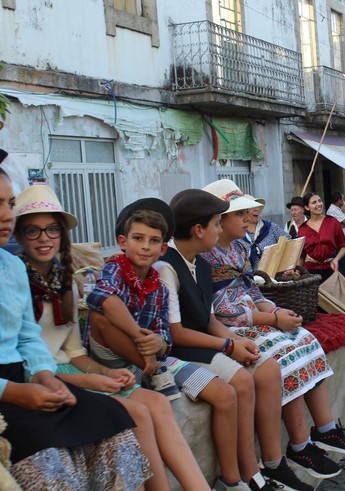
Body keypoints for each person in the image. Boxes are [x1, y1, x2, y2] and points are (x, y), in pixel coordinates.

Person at [12, 184, 211, 491]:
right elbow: (23, 364)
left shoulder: (65, 279)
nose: (44, 239)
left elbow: (74, 352)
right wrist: (94, 379)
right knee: (137, 412)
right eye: (33, 231)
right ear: (19, 236)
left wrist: (106, 373)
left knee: (156, 404)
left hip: (76, 368)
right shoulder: (13, 283)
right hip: (40, 378)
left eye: (52, 230)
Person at [0, 160, 150, 490]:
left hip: (27, 379)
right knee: (46, 455)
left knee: (114, 420)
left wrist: (43, 375)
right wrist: (18, 393)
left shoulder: (10, 266)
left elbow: (27, 335)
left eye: (9, 204)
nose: (7, 216)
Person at [200, 179, 345, 482]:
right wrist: (273, 321)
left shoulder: (238, 247)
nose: (248, 217)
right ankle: (299, 445)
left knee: (306, 339)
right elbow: (224, 311)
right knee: (283, 353)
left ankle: (326, 429)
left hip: (256, 316)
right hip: (233, 327)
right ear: (219, 220)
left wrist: (276, 311)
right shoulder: (207, 256)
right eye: (240, 214)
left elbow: (253, 289)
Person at [85, 201, 257, 490]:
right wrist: (142, 338)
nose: (145, 247)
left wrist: (156, 342)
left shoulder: (158, 280)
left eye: (154, 241)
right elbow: (101, 299)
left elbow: (166, 338)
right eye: (138, 239)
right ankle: (147, 369)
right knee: (102, 314)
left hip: (155, 359)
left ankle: (231, 479)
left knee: (225, 393)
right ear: (123, 242)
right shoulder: (115, 267)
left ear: (162, 249)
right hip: (116, 357)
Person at [155, 189, 306, 491]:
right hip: (178, 350)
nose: (220, 229)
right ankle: (235, 478)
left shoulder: (201, 264)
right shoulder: (166, 268)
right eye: (216, 224)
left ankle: (255, 470)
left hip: (201, 343)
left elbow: (210, 320)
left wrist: (236, 344)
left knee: (249, 374)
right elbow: (176, 333)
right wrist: (227, 345)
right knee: (235, 384)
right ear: (198, 230)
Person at [298, 192, 345, 283]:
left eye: (319, 201)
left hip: (331, 268)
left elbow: (344, 245)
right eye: (314, 202)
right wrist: (298, 273)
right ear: (306, 207)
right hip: (310, 272)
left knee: (331, 296)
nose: (318, 204)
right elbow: (301, 255)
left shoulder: (332, 222)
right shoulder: (302, 229)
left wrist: (336, 259)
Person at [241, 195, 290, 270]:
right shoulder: (238, 233)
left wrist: (284, 264)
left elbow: (289, 243)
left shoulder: (270, 227)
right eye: (253, 207)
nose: (257, 209)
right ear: (244, 211)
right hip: (250, 278)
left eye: (257, 206)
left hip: (274, 275)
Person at [326, 191, 345, 282]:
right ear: (339, 200)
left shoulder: (337, 210)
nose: (343, 200)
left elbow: (344, 223)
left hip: (344, 238)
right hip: (339, 240)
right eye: (342, 198)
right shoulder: (333, 210)